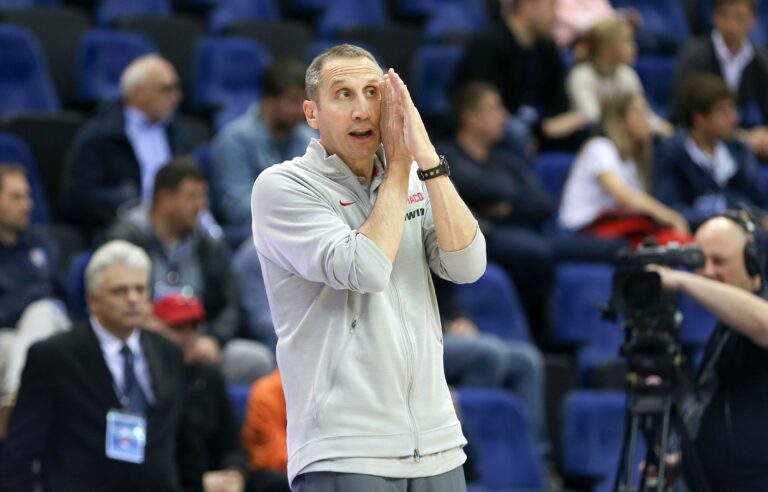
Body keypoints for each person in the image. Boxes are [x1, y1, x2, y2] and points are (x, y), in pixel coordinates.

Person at [250, 44, 486, 491]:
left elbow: (468, 265)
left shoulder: (413, 176)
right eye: (344, 95)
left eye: (373, 93)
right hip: (346, 447)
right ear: (312, 113)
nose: (362, 110)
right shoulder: (282, 187)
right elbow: (367, 269)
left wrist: (427, 160)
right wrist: (400, 166)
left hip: (438, 443)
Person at [0, 240, 188, 491]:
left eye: (140, 289)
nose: (133, 299)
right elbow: (20, 452)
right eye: (119, 291)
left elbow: (178, 442)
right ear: (92, 300)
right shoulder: (53, 357)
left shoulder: (169, 353)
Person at [108, 159, 274, 384]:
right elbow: (114, 300)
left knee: (255, 360)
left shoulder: (209, 245)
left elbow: (230, 304)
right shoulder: (126, 240)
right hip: (144, 341)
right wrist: (158, 334)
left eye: (202, 196)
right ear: (164, 199)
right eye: (192, 196)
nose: (201, 205)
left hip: (198, 344)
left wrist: (214, 340)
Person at [652, 212, 768, 490]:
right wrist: (683, 463)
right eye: (699, 262)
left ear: (752, 262)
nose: (707, 272)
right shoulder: (726, 325)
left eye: (719, 261)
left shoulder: (757, 313)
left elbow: (764, 323)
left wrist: (681, 280)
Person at [438, 81, 555, 336]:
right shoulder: (446, 156)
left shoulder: (505, 160)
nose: (504, 115)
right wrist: (500, 198)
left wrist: (507, 208)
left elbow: (543, 204)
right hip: (479, 235)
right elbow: (473, 187)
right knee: (537, 252)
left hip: (515, 230)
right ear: (470, 118)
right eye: (494, 108)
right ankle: (541, 334)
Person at [151, 293, 288, 492]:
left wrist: (235, 473)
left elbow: (231, 443)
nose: (187, 338)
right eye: (178, 329)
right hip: (180, 480)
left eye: (193, 328)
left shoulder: (208, 376)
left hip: (221, 479)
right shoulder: (150, 377)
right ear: (156, 329)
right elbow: (157, 455)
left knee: (277, 484)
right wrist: (199, 482)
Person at [63, 54, 190, 235]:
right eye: (167, 89)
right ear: (138, 93)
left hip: (177, 226)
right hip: (125, 228)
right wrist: (128, 200)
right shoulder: (101, 134)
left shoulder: (174, 131)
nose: (177, 97)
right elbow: (79, 197)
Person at [455, 0, 588, 155]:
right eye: (551, 6)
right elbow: (485, 105)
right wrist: (541, 128)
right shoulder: (487, 45)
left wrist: (547, 126)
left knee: (585, 128)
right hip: (508, 127)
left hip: (541, 126)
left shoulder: (548, 48)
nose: (556, 15)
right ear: (527, 5)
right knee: (516, 131)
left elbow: (559, 102)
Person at [558, 92, 690, 246]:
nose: (648, 120)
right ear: (619, 120)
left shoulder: (631, 158)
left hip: (612, 225)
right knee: (666, 244)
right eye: (640, 112)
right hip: (582, 230)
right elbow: (623, 195)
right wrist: (671, 217)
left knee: (675, 242)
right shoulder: (599, 147)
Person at [210, 59, 315, 243]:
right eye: (293, 100)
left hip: (299, 231)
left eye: (304, 101)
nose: (301, 110)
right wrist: (294, 211)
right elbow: (236, 208)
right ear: (268, 101)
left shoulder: (307, 137)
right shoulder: (234, 140)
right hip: (249, 237)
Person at [654, 73, 768, 231]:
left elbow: (759, 199)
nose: (733, 118)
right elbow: (670, 208)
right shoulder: (671, 152)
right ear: (699, 118)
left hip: (748, 230)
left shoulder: (738, 149)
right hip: (699, 233)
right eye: (723, 112)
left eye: (732, 109)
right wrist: (725, 217)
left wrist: (759, 217)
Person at [0, 166, 70, 399]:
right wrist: (32, 295)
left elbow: (63, 297)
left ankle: (16, 398)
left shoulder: (42, 244)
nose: (27, 205)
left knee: (41, 312)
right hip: (9, 339)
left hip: (54, 328)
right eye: (16, 197)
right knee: (12, 345)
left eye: (27, 196)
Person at [675, 0, 768, 158]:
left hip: (749, 150)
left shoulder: (762, 62)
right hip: (703, 145)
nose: (731, 25)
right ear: (714, 17)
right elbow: (683, 116)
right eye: (725, 16)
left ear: (753, 19)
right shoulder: (694, 57)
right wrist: (741, 138)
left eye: (739, 18)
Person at [566, 17, 673, 136]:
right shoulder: (581, 76)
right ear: (606, 48)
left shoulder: (627, 74)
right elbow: (592, 118)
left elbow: (642, 113)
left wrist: (663, 128)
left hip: (625, 134)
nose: (634, 47)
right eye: (626, 41)